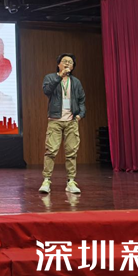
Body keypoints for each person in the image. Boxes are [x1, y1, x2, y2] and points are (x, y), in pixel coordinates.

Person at [39, 53, 85, 195]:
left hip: (71, 121)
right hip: (55, 120)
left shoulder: (76, 82)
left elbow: (82, 100)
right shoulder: (50, 78)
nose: (67, 64)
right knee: (51, 151)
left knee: (71, 152)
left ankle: (71, 181)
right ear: (58, 64)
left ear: (73, 66)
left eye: (70, 62)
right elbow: (47, 91)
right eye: (64, 61)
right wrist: (59, 76)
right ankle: (46, 180)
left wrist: (80, 115)